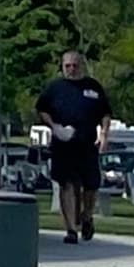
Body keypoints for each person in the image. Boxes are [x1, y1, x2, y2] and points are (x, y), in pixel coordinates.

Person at [32, 49, 109, 245]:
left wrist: (104, 135)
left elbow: (105, 113)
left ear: (81, 66)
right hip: (64, 145)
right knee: (67, 184)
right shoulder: (55, 88)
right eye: (67, 66)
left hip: (88, 144)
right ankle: (70, 229)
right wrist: (54, 127)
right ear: (62, 67)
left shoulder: (93, 87)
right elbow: (42, 109)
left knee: (90, 186)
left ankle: (87, 217)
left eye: (75, 65)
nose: (71, 69)